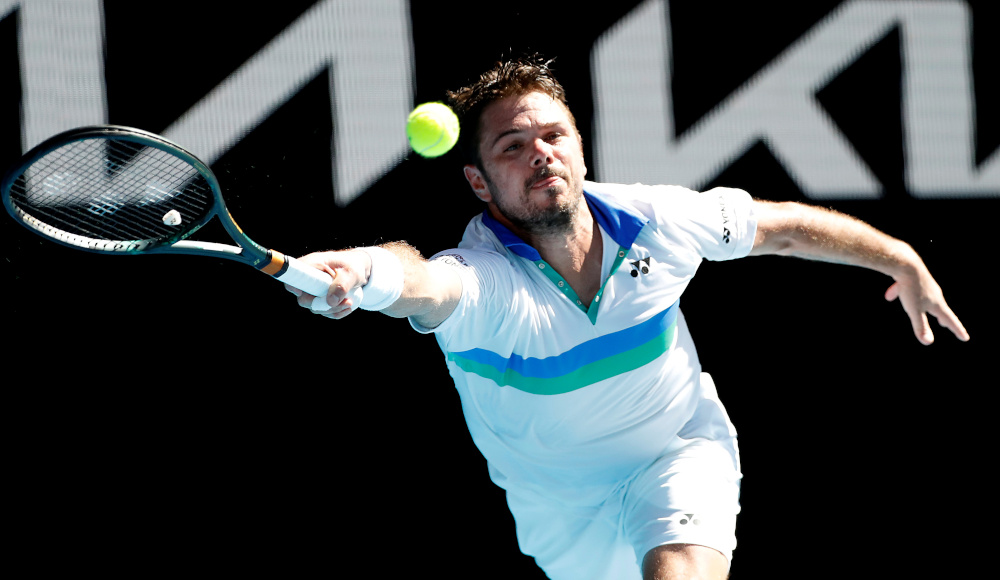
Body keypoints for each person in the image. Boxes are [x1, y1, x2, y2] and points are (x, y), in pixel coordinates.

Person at [286, 56, 969, 580]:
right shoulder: (488, 282)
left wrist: (898, 257)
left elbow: (784, 228)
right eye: (511, 147)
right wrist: (364, 271)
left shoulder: (658, 220)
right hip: (560, 518)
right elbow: (424, 282)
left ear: (580, 147)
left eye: (553, 135)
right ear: (478, 182)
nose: (540, 154)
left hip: (676, 449)